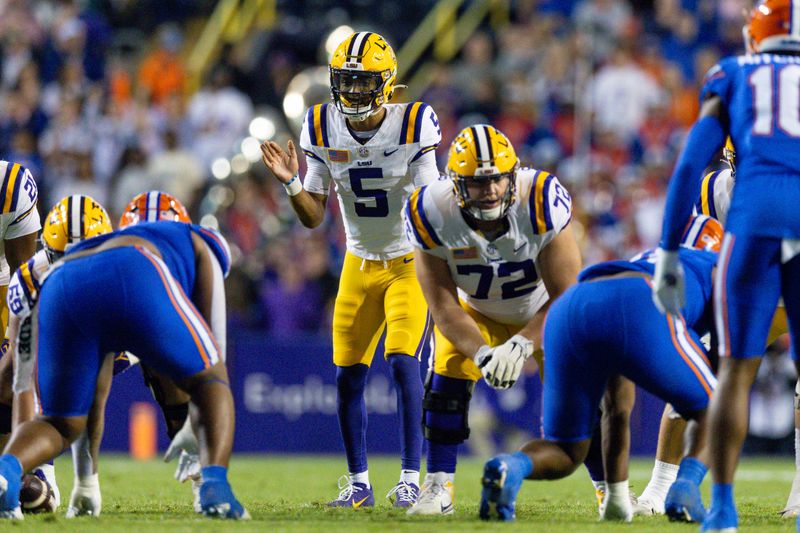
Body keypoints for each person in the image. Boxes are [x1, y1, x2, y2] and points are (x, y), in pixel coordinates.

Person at [260, 31, 441, 508]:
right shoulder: (321, 124)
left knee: (403, 363)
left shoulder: (414, 123)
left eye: (363, 83)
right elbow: (314, 214)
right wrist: (293, 183)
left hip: (406, 263)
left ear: (386, 84)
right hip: (358, 264)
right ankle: (359, 482)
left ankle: (409, 478)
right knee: (346, 376)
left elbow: (431, 205)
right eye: (347, 82)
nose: (353, 93)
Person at [651, 2, 800, 530]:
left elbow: (691, 162)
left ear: (756, 35)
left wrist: (667, 249)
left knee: (732, 373)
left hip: (756, 217)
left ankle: (723, 508)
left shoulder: (735, 73)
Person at [480, 215, 723, 523]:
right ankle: (685, 490)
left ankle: (511, 467)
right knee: (720, 406)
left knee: (567, 450)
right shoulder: (713, 267)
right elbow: (723, 365)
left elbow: (617, 408)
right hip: (640, 300)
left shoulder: (644, 257)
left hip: (571, 305)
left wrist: (618, 501)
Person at [0, 219, 245, 520]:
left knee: (61, 424)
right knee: (212, 379)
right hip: (133, 268)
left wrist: (86, 482)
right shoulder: (205, 245)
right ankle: (215, 490)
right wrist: (198, 412)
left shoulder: (40, 268)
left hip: (60, 283)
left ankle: (6, 471)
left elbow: (96, 395)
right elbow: (213, 357)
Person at [403, 124, 581, 515]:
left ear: (512, 174)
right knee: (445, 374)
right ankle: (438, 488)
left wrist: (521, 344)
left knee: (581, 404)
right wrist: (483, 354)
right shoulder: (430, 212)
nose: (491, 191)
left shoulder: (540, 199)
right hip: (475, 310)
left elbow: (567, 296)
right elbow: (444, 307)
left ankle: (609, 492)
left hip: (541, 311)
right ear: (455, 185)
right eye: (478, 184)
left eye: (498, 179)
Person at [6, 194, 112, 514]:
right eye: (64, 259)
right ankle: (31, 470)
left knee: (171, 372)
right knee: (17, 373)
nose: (72, 272)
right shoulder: (27, 281)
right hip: (57, 339)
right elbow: (21, 380)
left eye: (83, 258)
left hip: (113, 322)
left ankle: (200, 467)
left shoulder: (126, 275)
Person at [0, 161, 40, 453]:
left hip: (2, 287)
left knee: (8, 378)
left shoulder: (9, 186)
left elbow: (22, 280)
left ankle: (25, 471)